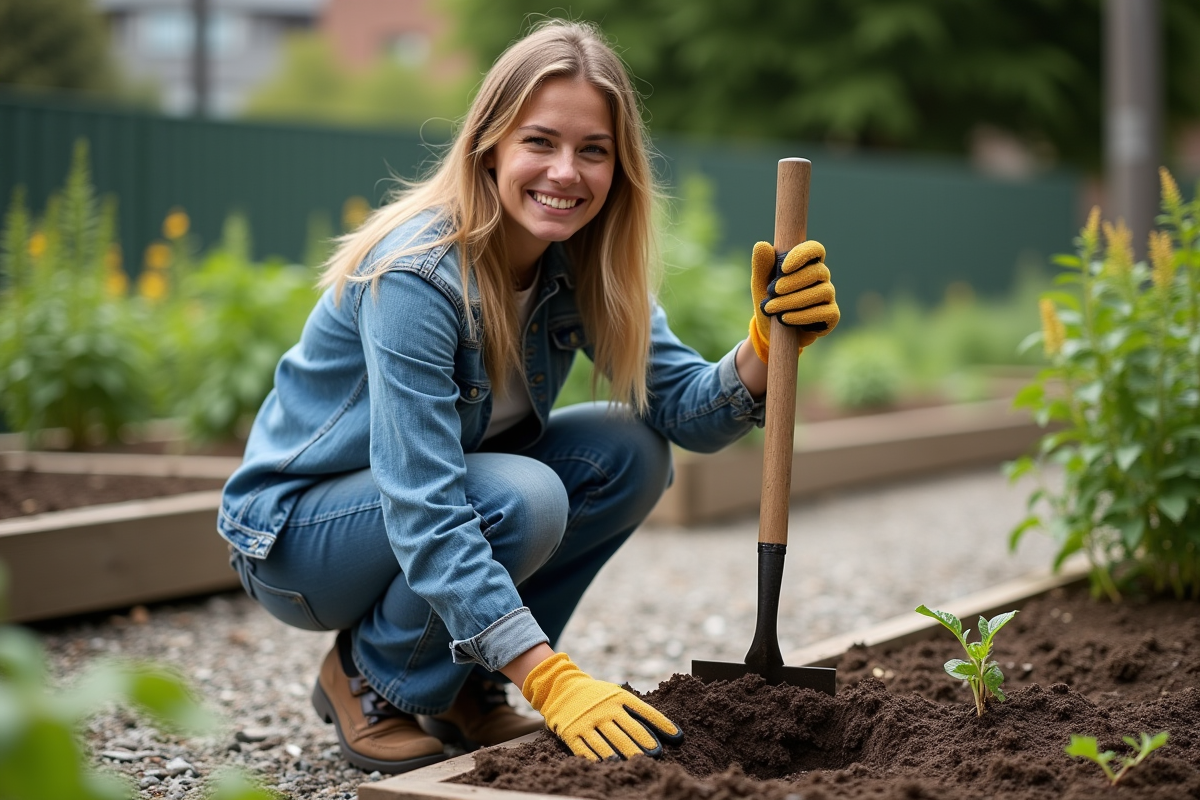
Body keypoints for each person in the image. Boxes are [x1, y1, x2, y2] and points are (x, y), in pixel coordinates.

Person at [218, 19, 839, 774]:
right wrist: (548, 677)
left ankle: (466, 680)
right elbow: (423, 503)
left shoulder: (584, 262)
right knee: (524, 495)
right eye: (540, 142)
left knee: (632, 453)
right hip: (298, 541)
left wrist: (765, 351)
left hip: (442, 506)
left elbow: (682, 412)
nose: (566, 172)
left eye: (593, 150)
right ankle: (369, 679)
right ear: (491, 146)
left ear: (620, 167)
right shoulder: (418, 276)